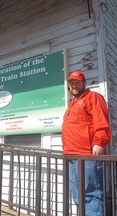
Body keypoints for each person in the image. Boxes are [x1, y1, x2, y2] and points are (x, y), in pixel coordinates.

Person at [62, 70, 111, 216]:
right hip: (71, 155)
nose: (75, 85)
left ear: (84, 83)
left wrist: (99, 142)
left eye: (77, 82)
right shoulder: (73, 103)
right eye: (72, 83)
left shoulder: (93, 97)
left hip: (88, 154)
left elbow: (101, 120)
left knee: (91, 193)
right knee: (77, 194)